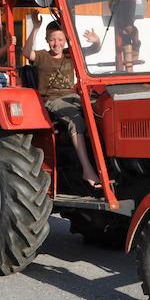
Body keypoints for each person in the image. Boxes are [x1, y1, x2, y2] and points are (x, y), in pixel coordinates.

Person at [23, 11, 103, 189]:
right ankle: (87, 169)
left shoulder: (70, 54)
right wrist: (35, 28)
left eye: (60, 40)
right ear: (46, 40)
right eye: (52, 39)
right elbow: (26, 52)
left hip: (73, 96)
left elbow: (95, 49)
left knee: (99, 108)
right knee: (75, 119)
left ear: (65, 40)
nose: (56, 43)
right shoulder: (43, 56)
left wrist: (96, 40)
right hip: (52, 100)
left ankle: (106, 162)